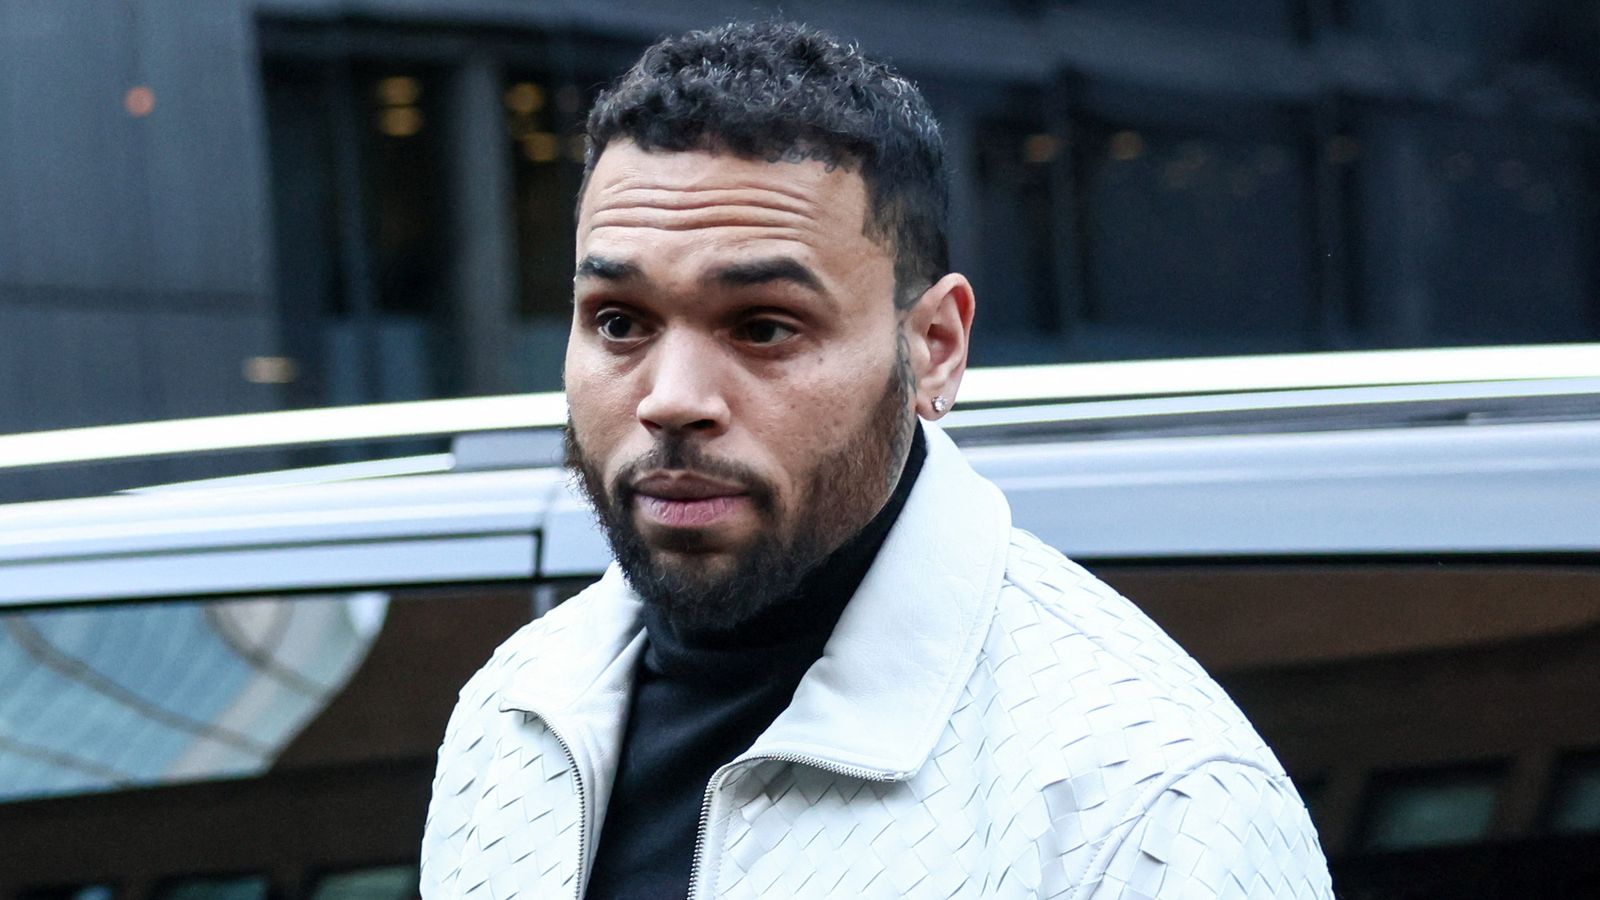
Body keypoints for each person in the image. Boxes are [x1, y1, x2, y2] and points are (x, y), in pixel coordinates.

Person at [421, 21, 1333, 900]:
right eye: (619, 321)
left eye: (764, 327)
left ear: (935, 347)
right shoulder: (511, 716)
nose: (672, 399)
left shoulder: (1148, 806)